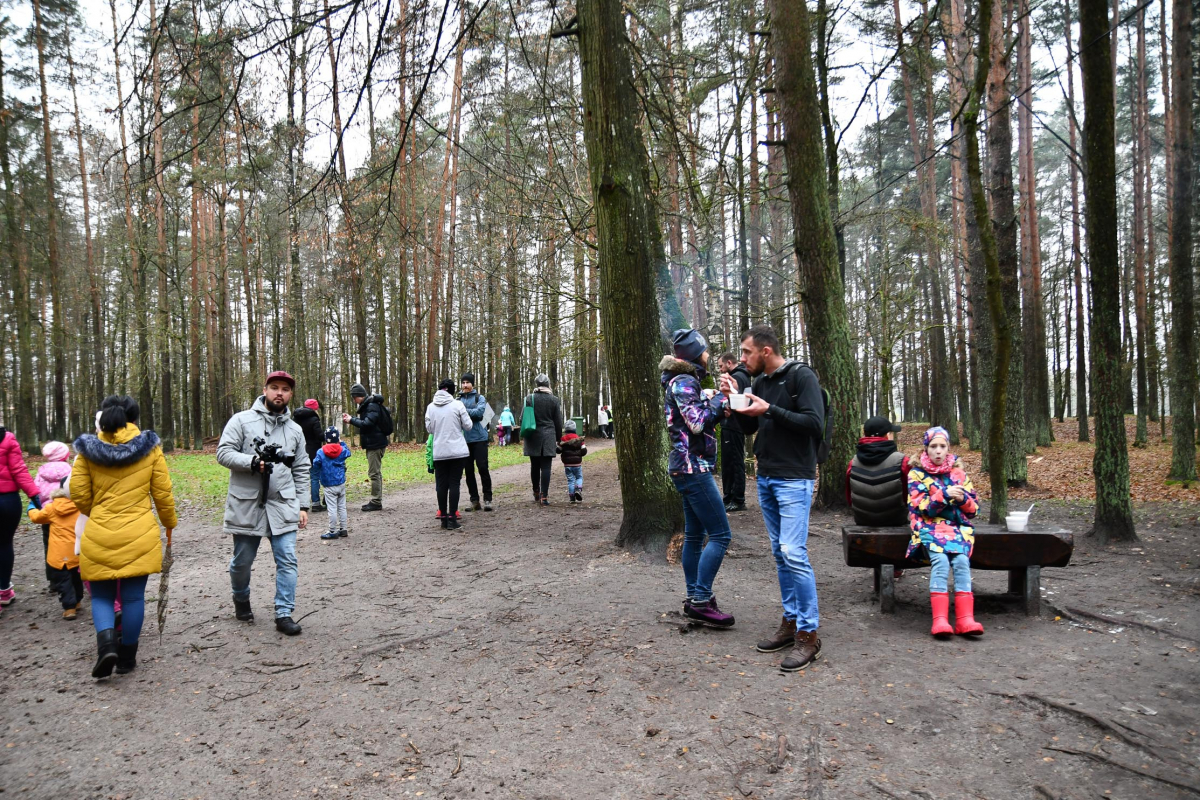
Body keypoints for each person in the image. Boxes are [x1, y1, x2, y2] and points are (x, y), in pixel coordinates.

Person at [720, 324, 824, 672]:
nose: (742, 358)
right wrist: (737, 401)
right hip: (766, 477)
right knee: (781, 554)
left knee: (794, 552)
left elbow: (813, 423)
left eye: (746, 352)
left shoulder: (800, 376)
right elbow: (752, 428)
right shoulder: (759, 383)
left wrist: (770, 410)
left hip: (795, 478)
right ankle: (791, 621)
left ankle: (809, 634)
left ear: (765, 350)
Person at [71, 395, 177, 678]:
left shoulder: (86, 450)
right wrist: (169, 524)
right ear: (135, 419)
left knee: (103, 598)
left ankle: (106, 646)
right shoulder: (150, 448)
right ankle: (127, 658)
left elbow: (79, 496)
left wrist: (101, 512)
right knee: (132, 599)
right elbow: (163, 494)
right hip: (139, 532)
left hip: (98, 533)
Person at [217, 371, 310, 636]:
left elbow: (302, 468)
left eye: (285, 389)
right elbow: (223, 453)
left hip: (283, 504)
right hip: (247, 504)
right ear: (265, 389)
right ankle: (241, 597)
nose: (279, 393)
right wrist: (251, 462)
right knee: (242, 562)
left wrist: (303, 505)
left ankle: (284, 613)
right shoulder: (241, 421)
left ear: (291, 394)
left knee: (288, 559)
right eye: (274, 388)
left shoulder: (294, 430)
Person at [663, 329, 735, 628]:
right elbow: (695, 424)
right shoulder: (683, 382)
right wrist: (719, 401)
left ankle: (696, 596)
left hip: (691, 466)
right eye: (705, 349)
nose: (709, 354)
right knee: (720, 535)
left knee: (694, 536)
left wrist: (719, 403)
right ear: (695, 353)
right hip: (692, 468)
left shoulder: (685, 382)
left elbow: (697, 416)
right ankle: (701, 601)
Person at [907, 426, 983, 638]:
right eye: (933, 446)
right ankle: (939, 620)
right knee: (940, 562)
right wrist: (944, 495)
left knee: (960, 562)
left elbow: (974, 509)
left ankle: (964, 619)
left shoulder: (958, 474)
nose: (938, 451)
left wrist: (963, 499)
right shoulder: (916, 474)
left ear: (948, 448)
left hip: (957, 529)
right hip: (928, 527)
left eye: (942, 446)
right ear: (926, 449)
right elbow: (920, 507)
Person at [0, 423, 42, 613]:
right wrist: (35, 496)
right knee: (4, 544)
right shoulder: (6, 438)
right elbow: (19, 470)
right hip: (7, 501)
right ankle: (4, 592)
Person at [28, 486, 83, 620]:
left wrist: (31, 509)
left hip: (59, 555)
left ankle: (69, 608)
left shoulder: (51, 508)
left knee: (63, 581)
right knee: (77, 579)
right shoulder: (79, 507)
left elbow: (36, 518)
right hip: (76, 552)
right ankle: (77, 601)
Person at [426, 378, 473, 530]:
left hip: (439, 451)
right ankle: (452, 518)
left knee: (441, 485)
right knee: (454, 483)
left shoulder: (431, 407)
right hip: (457, 451)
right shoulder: (458, 405)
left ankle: (443, 519)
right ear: (452, 391)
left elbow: (429, 429)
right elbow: (468, 425)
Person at [846, 416, 910, 526]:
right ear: (887, 435)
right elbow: (909, 494)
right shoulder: (902, 461)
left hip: (863, 521)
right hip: (897, 520)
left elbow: (849, 496)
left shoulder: (853, 462)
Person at [35, 441, 74, 591]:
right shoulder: (71, 470)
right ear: (65, 455)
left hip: (49, 513)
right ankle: (76, 574)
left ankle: (54, 580)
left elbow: (36, 490)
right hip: (71, 512)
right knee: (73, 542)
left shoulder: (41, 472)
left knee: (50, 545)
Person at [344, 383, 388, 512]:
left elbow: (368, 424)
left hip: (375, 444)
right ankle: (376, 499)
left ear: (359, 396)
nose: (354, 400)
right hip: (374, 443)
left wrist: (352, 420)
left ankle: (376, 501)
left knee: (374, 473)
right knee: (375, 472)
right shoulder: (370, 405)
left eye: (354, 397)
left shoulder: (371, 406)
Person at [717, 351, 751, 513]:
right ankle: (729, 497)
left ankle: (737, 499)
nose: (721, 370)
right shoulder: (741, 376)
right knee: (728, 463)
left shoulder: (738, 377)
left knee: (735, 462)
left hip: (735, 425)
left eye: (721, 366)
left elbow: (740, 399)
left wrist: (727, 406)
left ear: (729, 363)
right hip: (730, 425)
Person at [523, 374, 564, 506]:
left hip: (533, 436)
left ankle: (536, 491)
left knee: (534, 466)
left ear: (536, 384)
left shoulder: (529, 398)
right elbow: (558, 421)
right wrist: (559, 438)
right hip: (548, 436)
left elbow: (522, 418)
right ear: (548, 384)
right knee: (546, 467)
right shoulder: (554, 400)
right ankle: (544, 496)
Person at [458, 374, 493, 511]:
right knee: (469, 471)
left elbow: (479, 414)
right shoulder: (458, 399)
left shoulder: (480, 398)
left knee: (483, 468)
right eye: (463, 382)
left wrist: (462, 411)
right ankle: (474, 501)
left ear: (472, 384)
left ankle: (488, 499)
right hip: (464, 440)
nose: (465, 385)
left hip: (480, 438)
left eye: (468, 382)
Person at [314, 427, 351, 540]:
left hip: (328, 484)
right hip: (340, 483)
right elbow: (348, 452)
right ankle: (343, 528)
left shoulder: (321, 451)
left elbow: (315, 464)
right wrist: (342, 442)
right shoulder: (342, 450)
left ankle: (332, 530)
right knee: (341, 507)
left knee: (332, 508)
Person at [293, 399, 326, 512]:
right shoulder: (314, 419)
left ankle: (297, 503)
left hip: (298, 451)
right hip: (313, 451)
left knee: (298, 477)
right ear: (315, 408)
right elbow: (320, 435)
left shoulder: (295, 418)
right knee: (314, 477)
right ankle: (316, 503)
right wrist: (326, 435)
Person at [556, 420, 588, 503]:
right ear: (575, 429)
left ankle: (572, 497)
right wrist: (579, 454)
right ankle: (578, 489)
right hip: (577, 463)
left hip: (567, 464)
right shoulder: (579, 439)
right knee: (579, 477)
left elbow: (558, 450)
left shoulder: (563, 439)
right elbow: (584, 451)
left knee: (570, 480)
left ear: (565, 430)